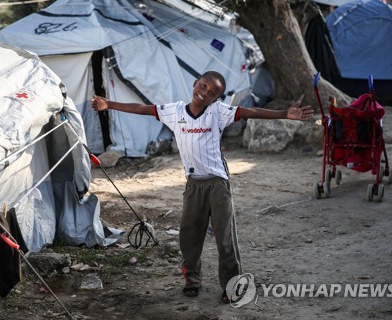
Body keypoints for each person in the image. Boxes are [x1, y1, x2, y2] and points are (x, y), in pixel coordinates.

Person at [91, 71, 314, 303]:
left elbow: (251, 111)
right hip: (193, 185)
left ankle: (231, 286)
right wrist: (110, 104)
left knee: (224, 238)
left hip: (218, 185)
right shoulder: (174, 111)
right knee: (190, 235)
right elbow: (142, 108)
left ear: (215, 99)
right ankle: (192, 280)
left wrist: (284, 114)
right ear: (195, 83)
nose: (204, 92)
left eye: (211, 92)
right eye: (204, 86)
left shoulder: (218, 112)